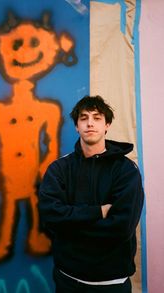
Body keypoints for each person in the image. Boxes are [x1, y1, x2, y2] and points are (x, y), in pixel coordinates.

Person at [38, 95, 144, 293]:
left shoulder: (126, 170)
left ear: (107, 125)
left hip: (112, 284)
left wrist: (69, 226)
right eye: (84, 118)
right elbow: (50, 217)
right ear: (77, 126)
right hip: (68, 280)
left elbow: (122, 228)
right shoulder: (59, 169)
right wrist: (98, 212)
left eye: (97, 117)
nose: (90, 124)